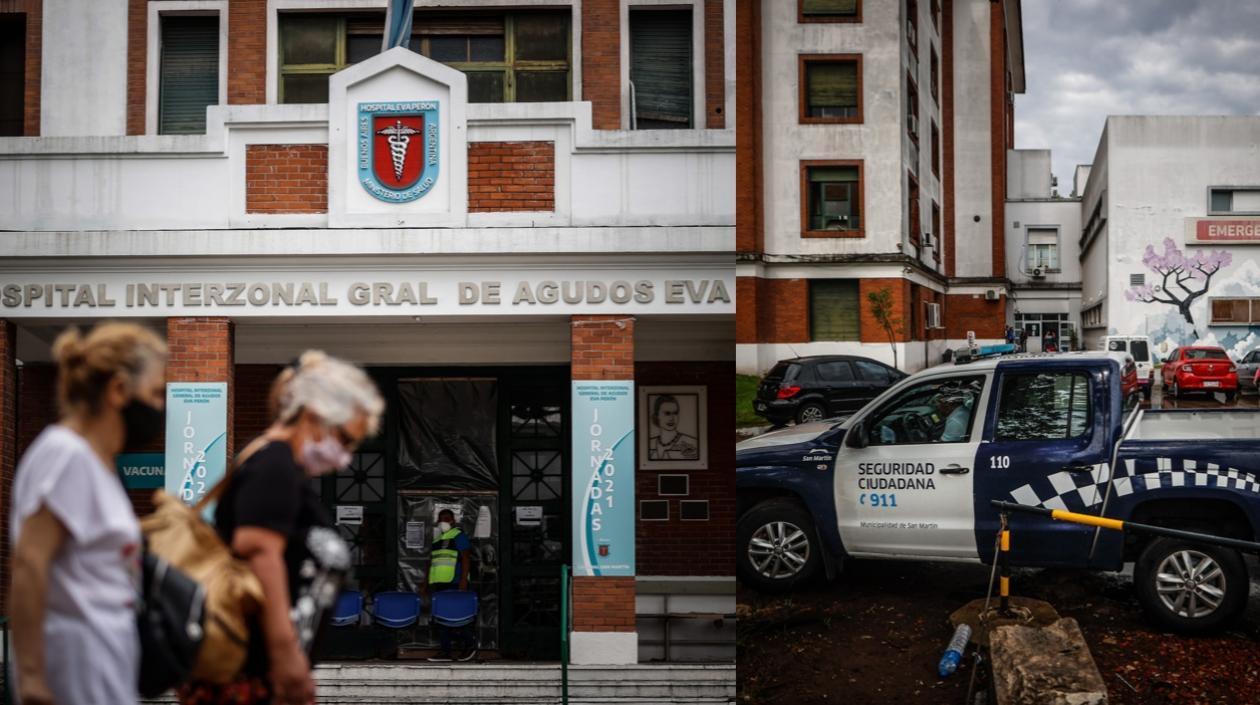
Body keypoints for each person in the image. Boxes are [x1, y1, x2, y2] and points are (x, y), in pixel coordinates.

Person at [179, 351, 383, 705]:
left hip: (261, 671)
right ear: (314, 415)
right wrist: (286, 657)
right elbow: (260, 553)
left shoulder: (279, 465)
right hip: (251, 673)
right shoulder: (274, 464)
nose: (346, 455)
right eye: (346, 439)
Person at [10, 323, 167, 705]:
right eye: (157, 393)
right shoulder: (65, 455)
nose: (162, 406)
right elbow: (29, 564)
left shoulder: (100, 465)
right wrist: (31, 678)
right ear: (117, 390)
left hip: (105, 665)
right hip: (73, 668)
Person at [425, 508, 476, 662]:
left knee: (459, 618)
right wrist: (425, 583)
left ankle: (470, 646)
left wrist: (463, 582)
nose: (443, 522)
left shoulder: (457, 536)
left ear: (453, 521)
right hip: (440, 585)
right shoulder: (437, 540)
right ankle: (445, 652)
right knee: (441, 619)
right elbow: (431, 563)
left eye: (447, 519)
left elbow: (466, 558)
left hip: (454, 584)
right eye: (441, 519)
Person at [647, 394, 699, 460]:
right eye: (667, 413)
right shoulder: (648, 444)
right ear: (657, 416)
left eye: (675, 413)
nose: (672, 418)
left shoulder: (692, 443)